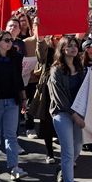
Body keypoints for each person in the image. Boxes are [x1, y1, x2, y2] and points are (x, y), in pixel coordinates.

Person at [48, 36, 88, 182]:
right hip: (63, 114)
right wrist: (76, 117)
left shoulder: (81, 69)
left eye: (75, 46)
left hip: (78, 114)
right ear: (62, 49)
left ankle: (63, 170)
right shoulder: (56, 70)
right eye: (69, 46)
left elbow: (89, 89)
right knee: (68, 151)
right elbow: (60, 99)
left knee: (77, 147)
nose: (73, 49)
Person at [0, 31, 29, 180]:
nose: (10, 42)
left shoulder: (16, 58)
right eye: (6, 40)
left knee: (11, 135)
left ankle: (14, 167)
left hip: (12, 101)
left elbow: (20, 80)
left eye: (11, 40)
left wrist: (24, 99)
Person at [30, 31, 61, 164]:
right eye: (56, 38)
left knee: (64, 122)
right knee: (47, 122)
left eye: (61, 37)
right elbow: (41, 53)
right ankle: (49, 153)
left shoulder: (66, 51)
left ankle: (67, 154)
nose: (58, 40)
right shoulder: (47, 51)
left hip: (62, 90)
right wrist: (40, 37)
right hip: (48, 91)